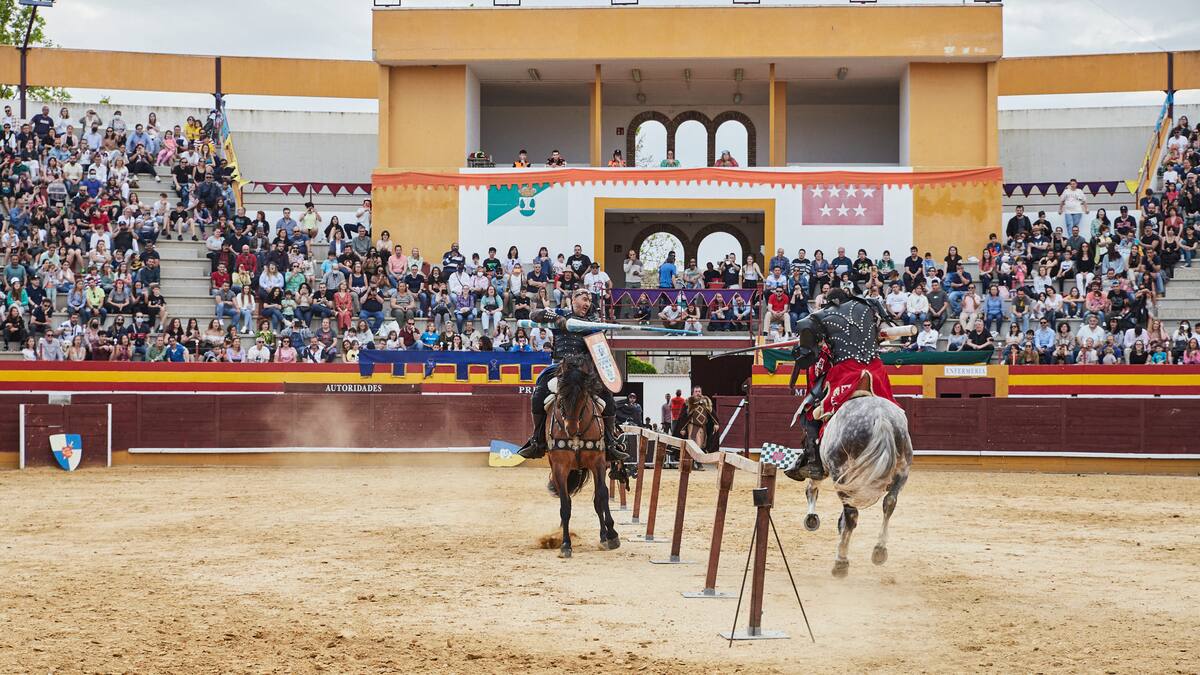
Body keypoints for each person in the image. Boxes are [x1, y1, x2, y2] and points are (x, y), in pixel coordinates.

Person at [783, 288, 896, 482]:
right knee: (892, 409)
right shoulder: (867, 308)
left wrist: (805, 347)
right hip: (875, 371)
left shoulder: (823, 320)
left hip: (845, 373)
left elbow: (806, 355)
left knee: (809, 412)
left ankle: (815, 463)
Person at [516, 288, 629, 462]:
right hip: (559, 366)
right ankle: (537, 440)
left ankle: (609, 441)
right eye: (584, 298)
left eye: (589, 300)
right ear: (573, 299)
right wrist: (557, 319)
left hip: (583, 369)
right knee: (538, 394)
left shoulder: (592, 323)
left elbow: (599, 349)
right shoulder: (560, 313)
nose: (587, 303)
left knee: (608, 397)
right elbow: (533, 315)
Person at [669, 385, 717, 471]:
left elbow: (712, 413)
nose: (698, 393)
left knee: (702, 445)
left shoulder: (706, 402)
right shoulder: (689, 402)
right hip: (692, 426)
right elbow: (683, 417)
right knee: (695, 444)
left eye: (699, 391)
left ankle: (693, 463)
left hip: (703, 427)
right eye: (696, 391)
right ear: (693, 393)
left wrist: (716, 423)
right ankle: (698, 464)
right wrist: (682, 428)